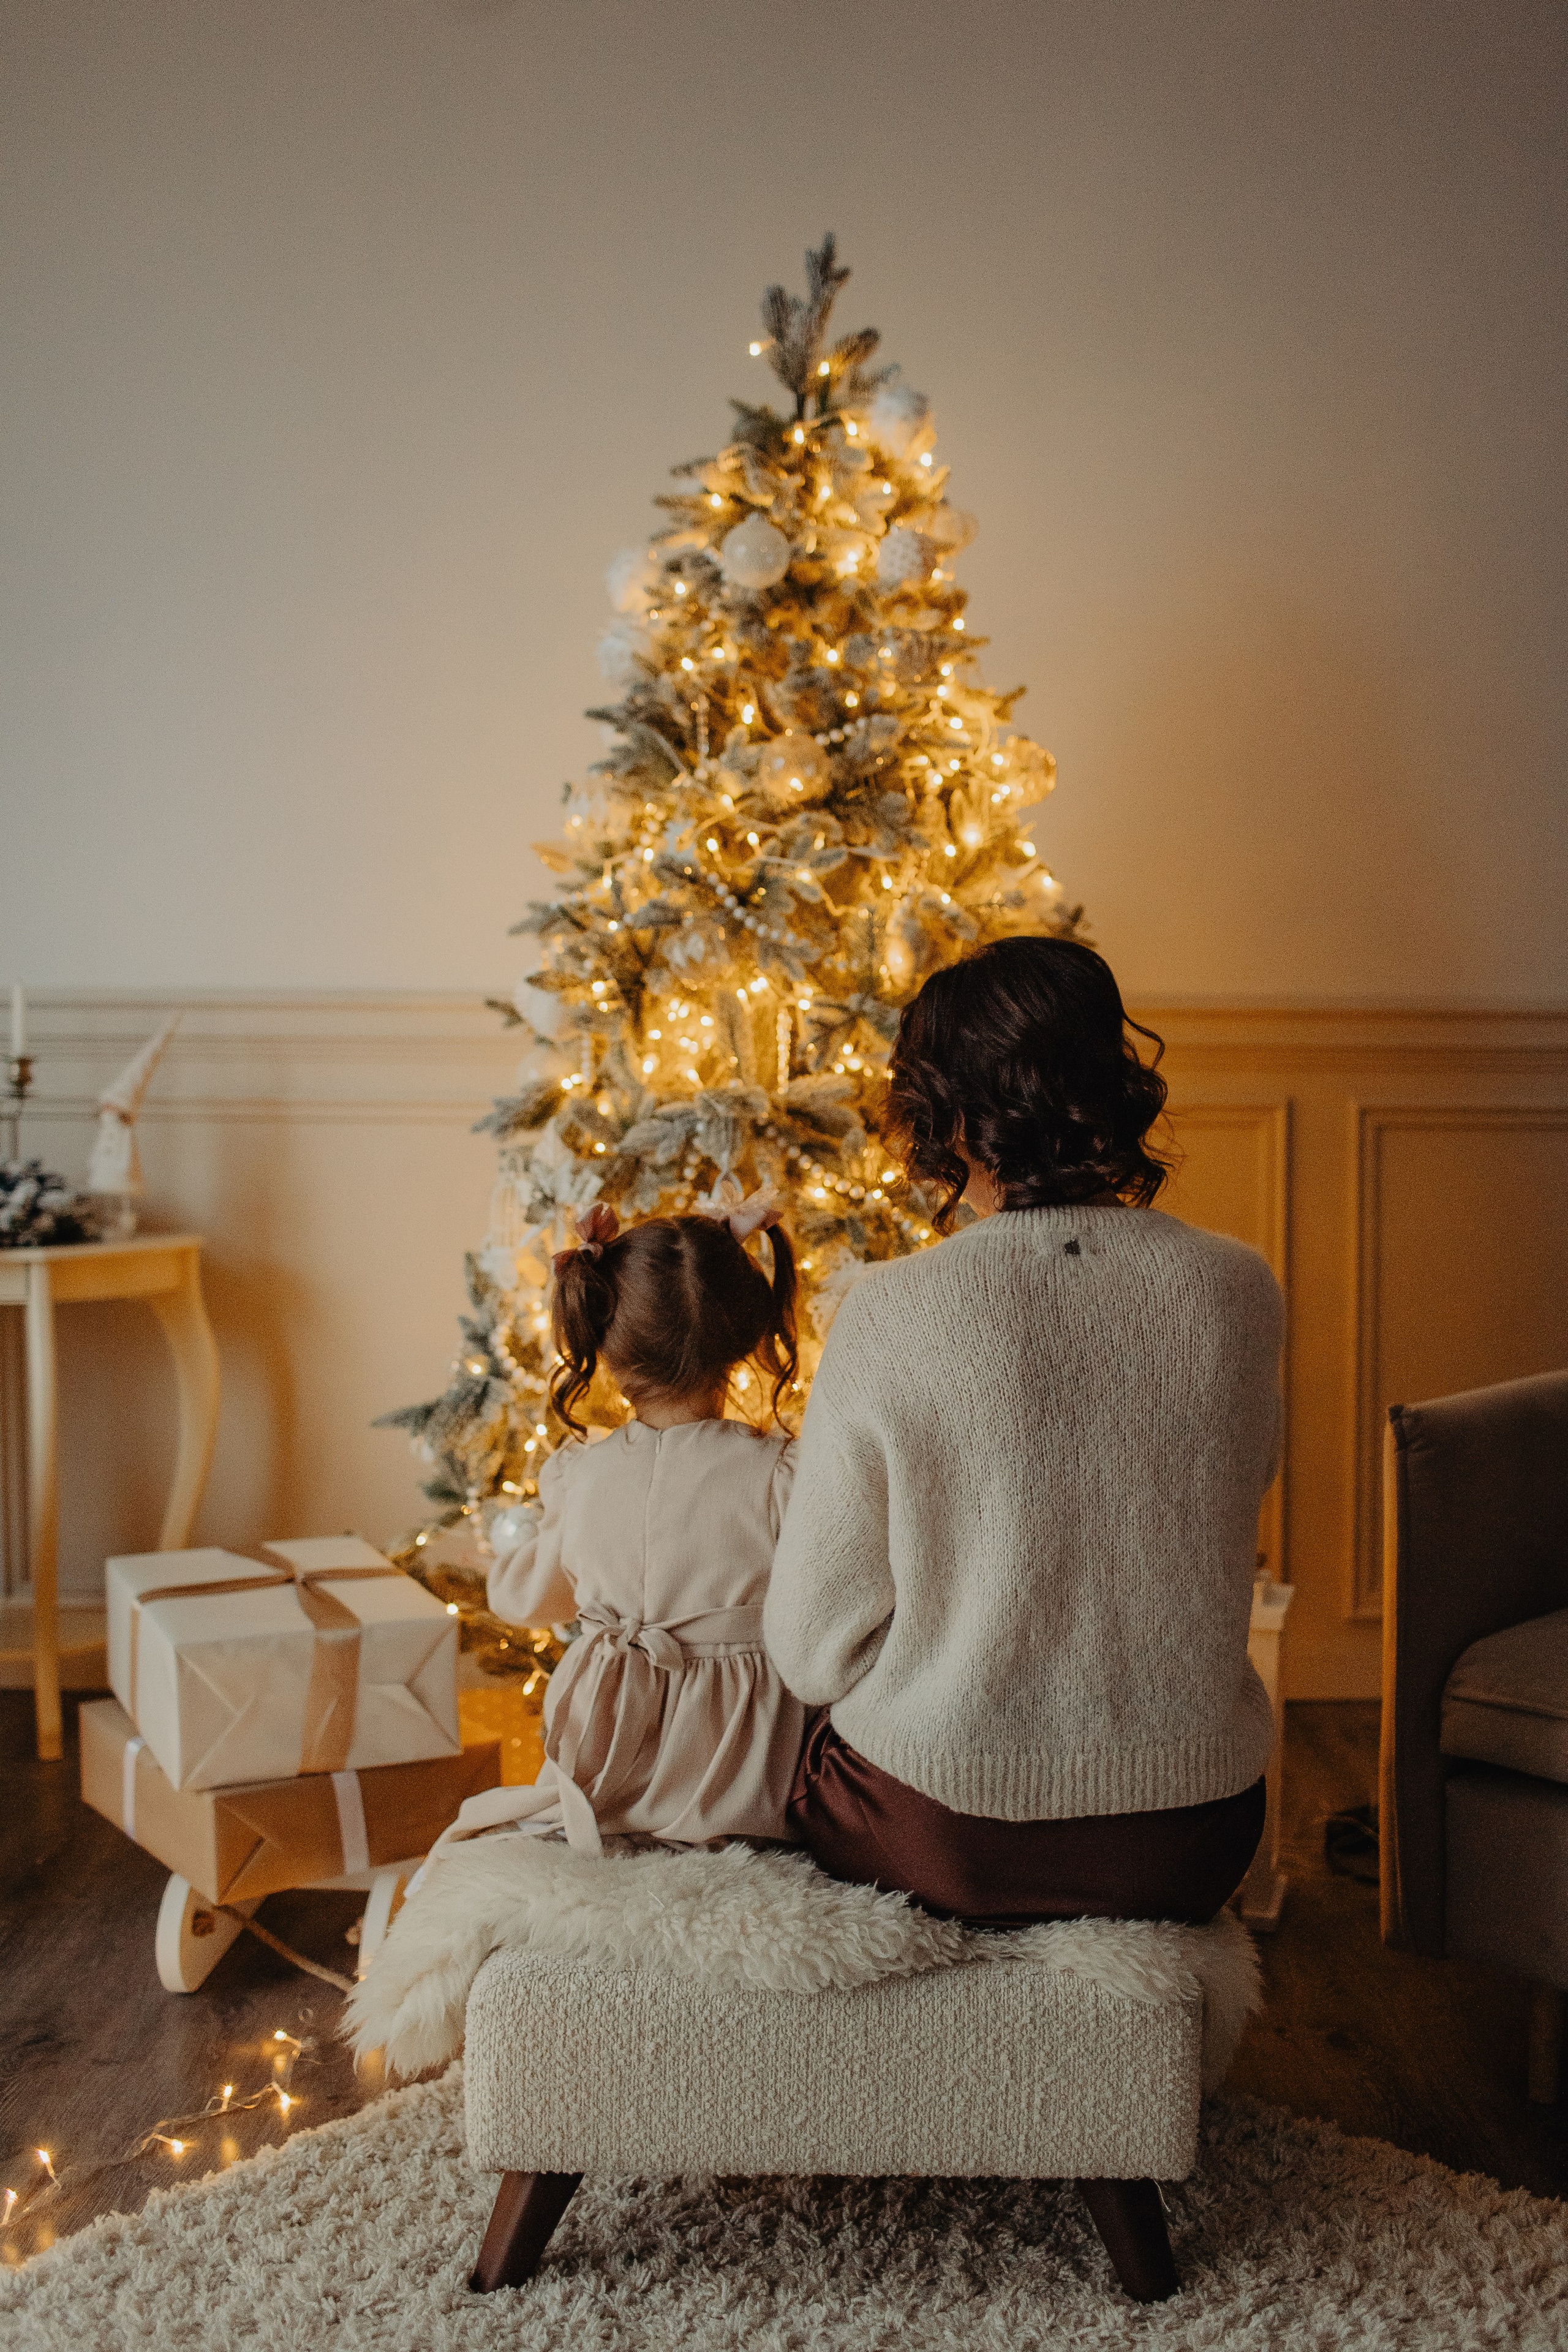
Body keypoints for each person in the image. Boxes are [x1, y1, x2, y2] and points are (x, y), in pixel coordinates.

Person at [764, 935, 1282, 1929]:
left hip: (946, 1832)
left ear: (942, 1112)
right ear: (1111, 1082)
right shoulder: (1238, 1290)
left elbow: (811, 1646)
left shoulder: (889, 1309)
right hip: (1193, 1838)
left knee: (798, 1756)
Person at [436, 1194, 809, 1859]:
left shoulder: (579, 1476)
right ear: (743, 1338)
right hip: (732, 1778)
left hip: (605, 1764)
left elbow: (526, 1599)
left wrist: (505, 1549)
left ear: (605, 1344)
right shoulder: (784, 1474)